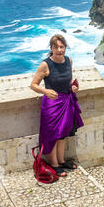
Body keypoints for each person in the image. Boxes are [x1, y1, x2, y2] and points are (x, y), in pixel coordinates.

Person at [30, 34, 84, 177]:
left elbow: (68, 80)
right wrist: (45, 91)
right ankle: (54, 164)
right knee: (53, 135)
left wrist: (73, 87)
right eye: (56, 47)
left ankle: (61, 160)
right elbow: (33, 85)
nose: (59, 50)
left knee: (63, 134)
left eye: (62, 47)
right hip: (52, 105)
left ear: (65, 47)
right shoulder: (45, 64)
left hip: (66, 102)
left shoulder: (69, 61)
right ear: (51, 48)